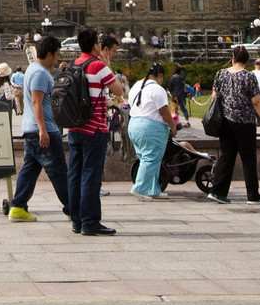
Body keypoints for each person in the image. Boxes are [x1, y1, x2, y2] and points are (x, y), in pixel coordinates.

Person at [66, 28, 120, 237]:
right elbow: (118, 90)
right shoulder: (98, 65)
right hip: (95, 127)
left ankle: (77, 221)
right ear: (95, 45)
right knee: (91, 175)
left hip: (74, 127)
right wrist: (107, 65)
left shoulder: (74, 64)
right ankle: (90, 222)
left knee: (75, 174)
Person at [206, 43, 260, 204]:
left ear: (233, 58)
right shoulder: (248, 76)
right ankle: (253, 195)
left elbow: (214, 97)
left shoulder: (221, 74)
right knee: (248, 159)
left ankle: (218, 192)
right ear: (247, 60)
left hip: (225, 122)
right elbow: (256, 101)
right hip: (245, 122)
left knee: (227, 156)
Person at [127, 61, 179, 199]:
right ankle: (139, 188)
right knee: (151, 159)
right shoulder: (157, 89)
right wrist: (172, 126)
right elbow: (164, 110)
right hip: (151, 128)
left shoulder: (136, 86)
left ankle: (152, 188)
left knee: (147, 158)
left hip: (134, 125)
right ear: (160, 75)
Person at [166, 64, 191, 129]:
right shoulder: (181, 77)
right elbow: (186, 72)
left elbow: (170, 87)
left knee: (175, 109)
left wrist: (171, 93)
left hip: (175, 95)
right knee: (183, 108)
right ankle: (187, 121)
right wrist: (182, 67)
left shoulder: (172, 78)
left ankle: (175, 121)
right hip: (181, 95)